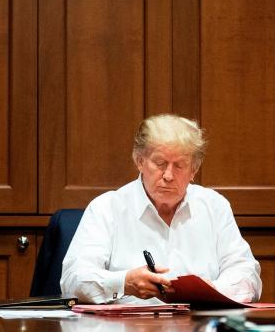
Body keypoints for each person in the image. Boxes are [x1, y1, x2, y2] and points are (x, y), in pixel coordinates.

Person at [60, 114, 262, 304]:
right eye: (159, 163)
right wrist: (124, 283)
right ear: (139, 161)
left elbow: (247, 274)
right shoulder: (107, 208)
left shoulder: (214, 206)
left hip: (197, 330)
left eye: (180, 165)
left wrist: (212, 290)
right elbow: (73, 280)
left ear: (194, 170)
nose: (168, 175)